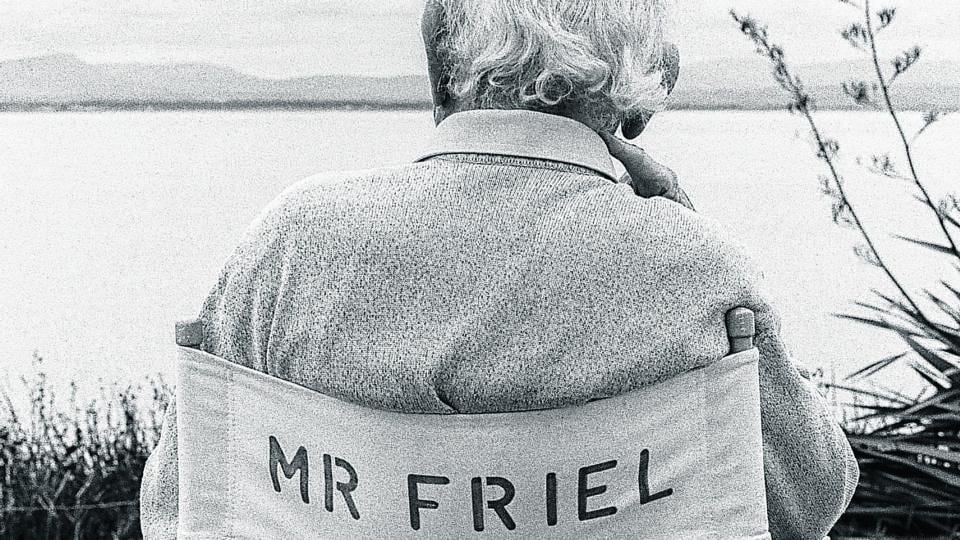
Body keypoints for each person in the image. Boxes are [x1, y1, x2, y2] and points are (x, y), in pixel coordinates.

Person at [140, 0, 859, 538]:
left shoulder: (288, 248)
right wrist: (683, 225)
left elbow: (179, 507)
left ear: (438, 70)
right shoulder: (694, 273)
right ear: (638, 103)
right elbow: (808, 499)